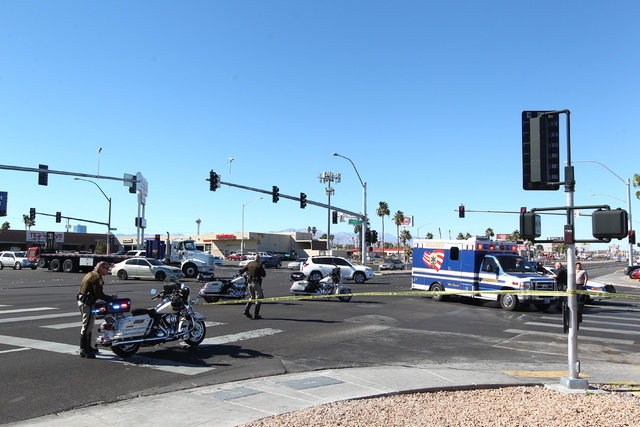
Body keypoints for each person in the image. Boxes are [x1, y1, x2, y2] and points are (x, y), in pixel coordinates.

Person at [77, 261, 114, 358]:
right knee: (87, 325)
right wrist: (110, 298)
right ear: (101, 268)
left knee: (90, 325)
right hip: (87, 303)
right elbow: (99, 294)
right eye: (106, 268)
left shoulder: (91, 274)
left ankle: (88, 347)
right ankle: (84, 350)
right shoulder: (96, 277)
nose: (108, 270)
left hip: (85, 301)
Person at [240, 254, 267, 320]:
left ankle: (246, 310)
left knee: (252, 297)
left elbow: (242, 269)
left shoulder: (249, 264)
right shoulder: (258, 265)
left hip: (249, 282)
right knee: (258, 298)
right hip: (256, 283)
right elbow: (264, 275)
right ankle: (256, 314)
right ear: (258, 259)